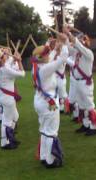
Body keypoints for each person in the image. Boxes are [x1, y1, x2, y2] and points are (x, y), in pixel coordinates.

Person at [32, 34, 68, 168]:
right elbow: (62, 59)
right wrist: (63, 43)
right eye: (47, 54)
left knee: (44, 129)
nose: (49, 55)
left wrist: (54, 48)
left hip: (40, 101)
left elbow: (51, 57)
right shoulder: (46, 69)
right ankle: (51, 160)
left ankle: (44, 156)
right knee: (51, 130)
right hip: (49, 103)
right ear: (43, 57)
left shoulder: (37, 67)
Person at [63, 26, 96, 136]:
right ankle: (85, 124)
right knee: (81, 105)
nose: (80, 42)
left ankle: (94, 127)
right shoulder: (77, 53)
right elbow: (68, 48)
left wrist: (70, 34)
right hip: (77, 83)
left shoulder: (88, 54)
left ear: (85, 43)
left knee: (89, 105)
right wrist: (66, 36)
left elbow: (77, 45)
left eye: (82, 40)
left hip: (85, 83)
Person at [0, 48, 25, 150]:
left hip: (2, 97)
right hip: (7, 99)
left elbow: (8, 63)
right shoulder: (5, 69)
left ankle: (10, 137)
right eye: (3, 55)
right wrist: (19, 61)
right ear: (1, 59)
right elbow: (22, 74)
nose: (6, 56)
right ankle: (5, 143)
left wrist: (12, 57)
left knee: (15, 116)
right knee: (7, 120)